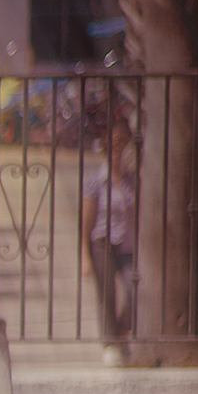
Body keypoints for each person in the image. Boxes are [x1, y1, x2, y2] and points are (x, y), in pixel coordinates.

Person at [79, 118, 137, 364]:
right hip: (102, 242)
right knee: (106, 294)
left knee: (135, 290)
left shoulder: (132, 180)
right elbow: (86, 222)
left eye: (123, 144)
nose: (118, 150)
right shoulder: (95, 181)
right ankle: (110, 343)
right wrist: (84, 256)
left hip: (127, 243)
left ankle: (123, 331)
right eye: (113, 145)